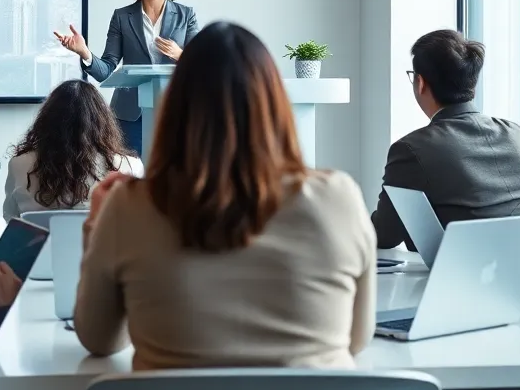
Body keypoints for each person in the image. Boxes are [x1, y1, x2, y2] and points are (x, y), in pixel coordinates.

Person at [73, 22, 377, 370]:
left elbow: (99, 339)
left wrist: (95, 226)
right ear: (275, 105)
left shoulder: (128, 207)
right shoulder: (339, 198)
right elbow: (356, 339)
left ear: (175, 107)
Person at [371, 29, 520, 250]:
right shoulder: (515, 133)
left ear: (420, 83)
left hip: (467, 278)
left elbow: (384, 236)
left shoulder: (412, 149)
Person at [54, 0, 200, 154]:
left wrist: (181, 55)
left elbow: (202, 66)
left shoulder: (186, 15)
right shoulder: (122, 17)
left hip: (175, 111)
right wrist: (85, 52)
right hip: (130, 116)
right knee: (131, 177)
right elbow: (106, 69)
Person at [3, 79, 143, 219]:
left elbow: (10, 217)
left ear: (46, 121)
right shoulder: (130, 167)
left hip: (41, 241)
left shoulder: (18, 164)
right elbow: (138, 222)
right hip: (104, 241)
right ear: (103, 123)